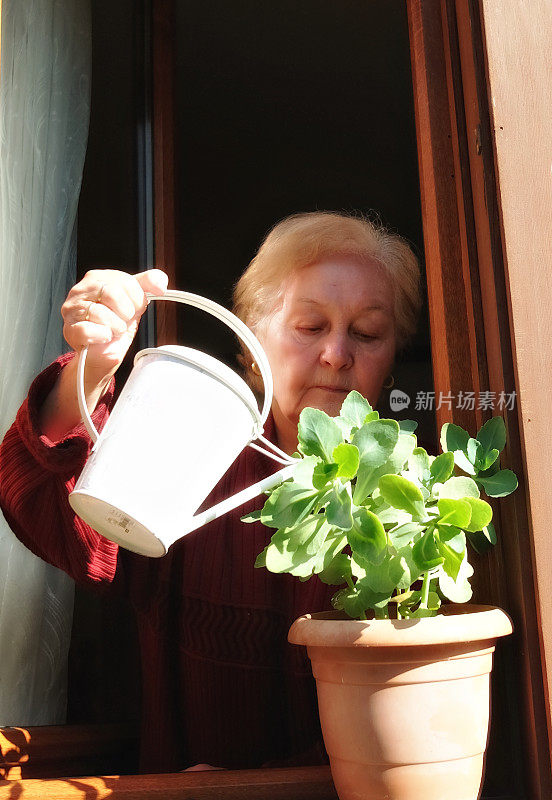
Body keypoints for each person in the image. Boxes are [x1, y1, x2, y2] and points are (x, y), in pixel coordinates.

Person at [0, 211, 421, 773]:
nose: (337, 354)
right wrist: (93, 367)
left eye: (367, 333)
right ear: (253, 343)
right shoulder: (197, 460)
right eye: (310, 326)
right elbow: (49, 509)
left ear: (392, 359)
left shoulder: (422, 499)